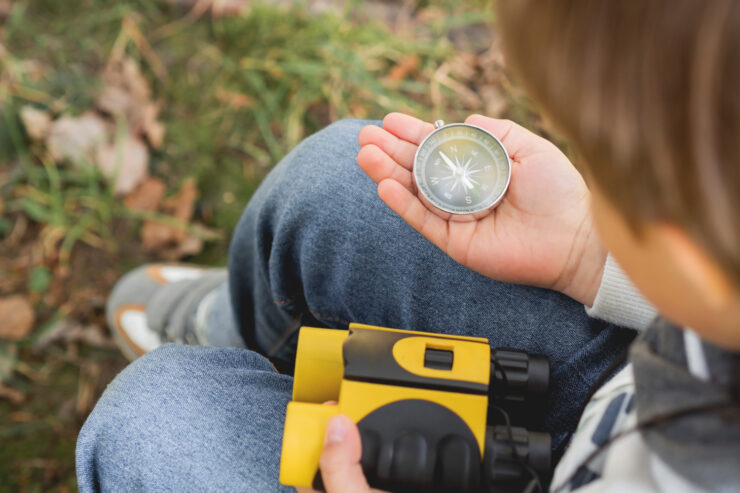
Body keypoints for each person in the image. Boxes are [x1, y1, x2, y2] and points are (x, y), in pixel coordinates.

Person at [76, 1, 740, 491]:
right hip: (635, 371)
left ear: (688, 251)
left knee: (152, 427)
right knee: (335, 189)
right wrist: (591, 254)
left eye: (608, 180)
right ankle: (231, 333)